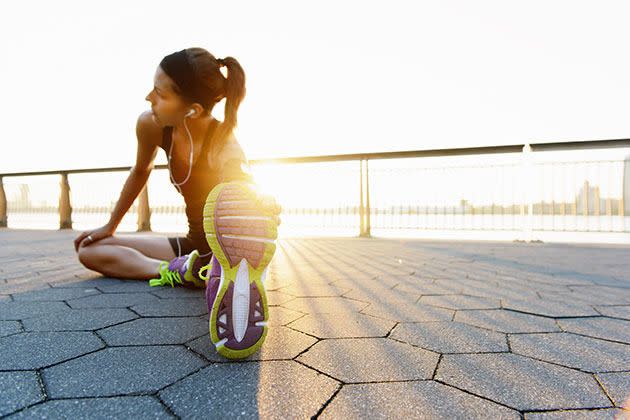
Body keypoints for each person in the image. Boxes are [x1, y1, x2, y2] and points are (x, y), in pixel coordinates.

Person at [74, 47, 281, 286]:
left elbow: (244, 187)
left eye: (160, 94)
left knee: (92, 250)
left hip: (224, 253)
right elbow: (141, 171)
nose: (149, 97)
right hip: (192, 245)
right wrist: (110, 227)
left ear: (193, 110)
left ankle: (216, 273)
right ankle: (181, 269)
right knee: (90, 248)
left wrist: (262, 205)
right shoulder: (151, 125)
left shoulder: (224, 143)